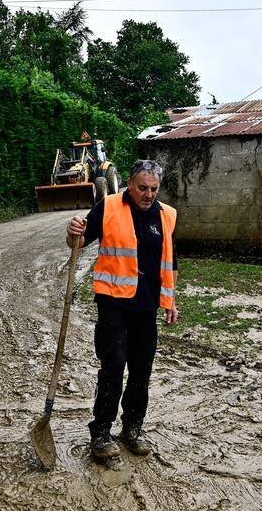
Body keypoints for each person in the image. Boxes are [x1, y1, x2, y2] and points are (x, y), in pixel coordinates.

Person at [65, 159, 179, 462]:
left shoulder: (166, 216)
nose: (148, 194)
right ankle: (101, 435)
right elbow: (77, 241)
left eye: (153, 189)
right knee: (113, 370)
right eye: (143, 187)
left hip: (146, 310)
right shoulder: (108, 206)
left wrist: (171, 300)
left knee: (141, 373)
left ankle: (132, 430)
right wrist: (73, 231)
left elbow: (170, 262)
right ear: (129, 184)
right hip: (113, 306)